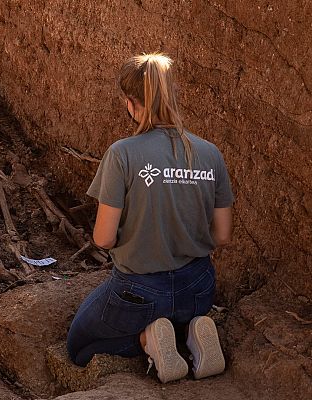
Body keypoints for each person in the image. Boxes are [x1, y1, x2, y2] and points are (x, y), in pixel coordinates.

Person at [66, 53, 234, 383]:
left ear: (130, 102)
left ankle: (148, 339)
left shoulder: (122, 153)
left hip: (139, 290)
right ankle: (190, 333)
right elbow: (223, 235)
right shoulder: (210, 153)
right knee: (178, 308)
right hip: (198, 287)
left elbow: (103, 238)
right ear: (172, 94)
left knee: (79, 345)